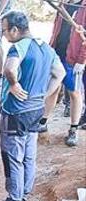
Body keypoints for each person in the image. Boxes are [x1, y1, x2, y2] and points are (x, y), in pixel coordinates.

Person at [0, 11, 65, 201]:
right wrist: (43, 94)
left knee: (13, 156)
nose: (3, 35)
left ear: (15, 29)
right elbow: (60, 74)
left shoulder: (18, 47)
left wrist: (14, 84)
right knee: (28, 156)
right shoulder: (46, 48)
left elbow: (9, 68)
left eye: (4, 30)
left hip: (15, 111)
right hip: (35, 111)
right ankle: (21, 199)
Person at [38, 0, 85, 147]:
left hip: (72, 58)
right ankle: (43, 122)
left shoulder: (83, 7)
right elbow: (56, 30)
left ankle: (73, 129)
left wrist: (82, 59)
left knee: (74, 93)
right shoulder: (63, 4)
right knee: (53, 89)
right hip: (56, 53)